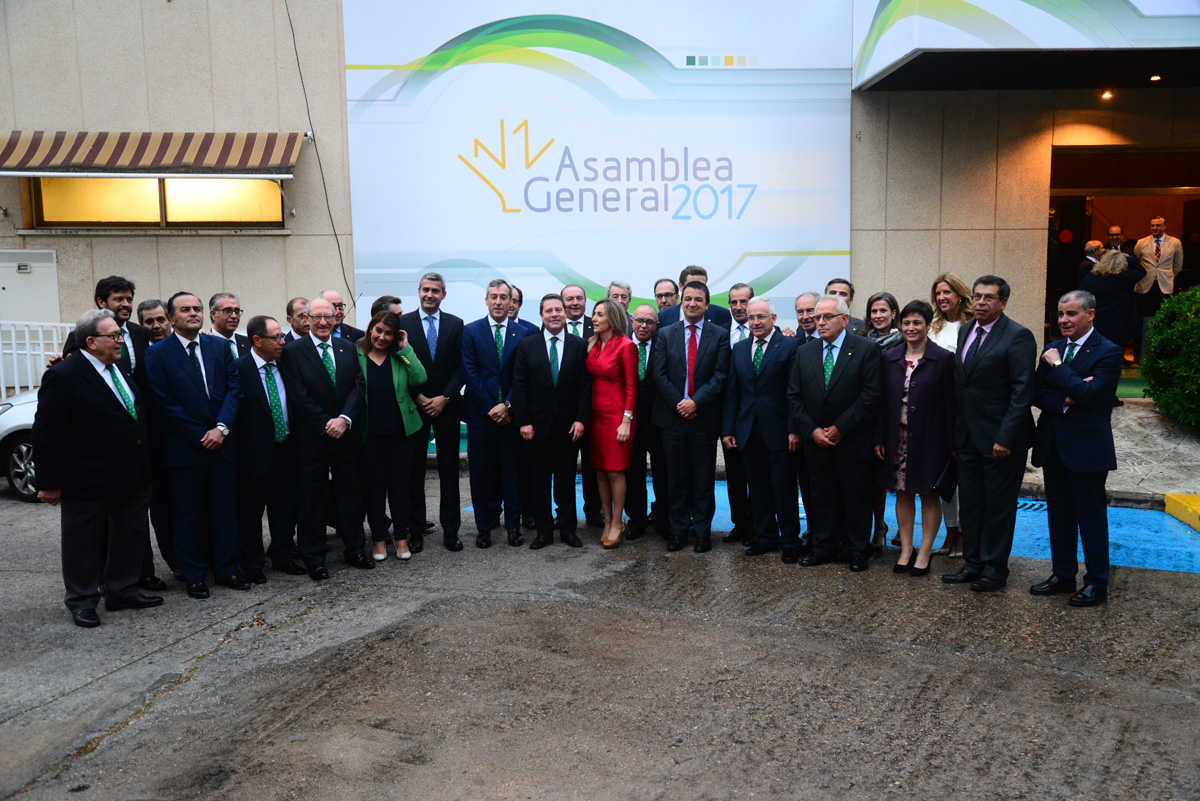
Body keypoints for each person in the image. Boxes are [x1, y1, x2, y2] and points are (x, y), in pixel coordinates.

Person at [33, 309, 162, 627]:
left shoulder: (118, 368)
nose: (121, 340)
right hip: (87, 479)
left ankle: (122, 591)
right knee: (83, 542)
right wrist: (49, 482)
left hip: (131, 475)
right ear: (91, 342)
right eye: (114, 336)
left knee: (129, 536)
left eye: (120, 335)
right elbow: (47, 434)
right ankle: (82, 600)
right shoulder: (64, 376)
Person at [145, 292, 246, 598]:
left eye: (197, 309)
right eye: (185, 309)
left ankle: (227, 569)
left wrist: (221, 428)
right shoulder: (159, 353)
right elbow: (163, 402)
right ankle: (193, 575)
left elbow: (234, 390)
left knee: (225, 512)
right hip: (185, 450)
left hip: (222, 445)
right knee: (187, 516)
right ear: (172, 318)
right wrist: (201, 434)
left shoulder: (219, 346)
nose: (193, 313)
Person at [942, 275, 1036, 593]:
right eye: (977, 296)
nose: (981, 302)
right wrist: (957, 435)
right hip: (968, 438)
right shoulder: (967, 330)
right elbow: (961, 387)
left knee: (998, 507)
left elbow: (1022, 392)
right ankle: (973, 564)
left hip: (1001, 441)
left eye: (989, 298)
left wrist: (1006, 438)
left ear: (1003, 302)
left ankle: (995, 570)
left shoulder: (1018, 336)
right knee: (971, 504)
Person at [1030, 290, 1123, 607]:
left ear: (1090, 314)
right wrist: (1068, 395)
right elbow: (1037, 393)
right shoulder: (1053, 348)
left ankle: (1097, 583)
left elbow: (1093, 393)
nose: (1063, 320)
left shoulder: (1108, 352)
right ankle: (1063, 575)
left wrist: (1058, 369)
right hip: (1053, 445)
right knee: (1058, 516)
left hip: (1087, 449)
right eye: (1060, 314)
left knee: (1091, 518)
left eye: (1071, 314)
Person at [788, 295, 883, 572]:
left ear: (844, 319)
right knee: (821, 496)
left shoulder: (866, 349)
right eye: (817, 317)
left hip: (852, 440)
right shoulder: (805, 352)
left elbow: (870, 395)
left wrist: (841, 428)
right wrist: (812, 430)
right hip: (816, 442)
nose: (819, 322)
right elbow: (794, 396)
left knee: (856, 497)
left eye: (826, 317)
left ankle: (857, 549)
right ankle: (823, 546)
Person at [281, 296, 373, 579]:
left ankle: (355, 549)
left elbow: (358, 387)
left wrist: (344, 419)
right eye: (316, 317)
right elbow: (298, 395)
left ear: (336, 318)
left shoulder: (347, 348)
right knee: (311, 499)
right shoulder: (293, 352)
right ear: (306, 319)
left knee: (350, 495)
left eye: (328, 316)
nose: (323, 322)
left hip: (345, 436)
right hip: (312, 438)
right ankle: (314, 557)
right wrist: (326, 423)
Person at [873, 301, 956, 577]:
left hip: (931, 439)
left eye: (917, 323)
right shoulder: (889, 358)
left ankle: (925, 551)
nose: (911, 328)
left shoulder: (943, 359)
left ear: (928, 326)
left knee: (929, 494)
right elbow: (882, 402)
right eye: (906, 323)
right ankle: (906, 549)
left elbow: (951, 405)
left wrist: (951, 443)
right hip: (897, 437)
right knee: (902, 493)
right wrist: (879, 438)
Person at [722, 298, 803, 562]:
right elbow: (733, 392)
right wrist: (728, 429)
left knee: (784, 488)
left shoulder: (791, 345)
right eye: (751, 316)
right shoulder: (740, 348)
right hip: (747, 430)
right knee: (757, 489)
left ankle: (790, 539)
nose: (755, 321)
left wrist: (794, 429)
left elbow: (795, 392)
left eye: (761, 317)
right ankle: (765, 537)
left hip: (780, 431)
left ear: (774, 318)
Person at [652, 281, 730, 553]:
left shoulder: (719, 335)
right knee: (676, 479)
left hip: (704, 419)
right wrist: (679, 403)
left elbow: (720, 376)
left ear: (707, 305)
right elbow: (659, 375)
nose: (692, 303)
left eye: (699, 299)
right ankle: (678, 532)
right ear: (681, 302)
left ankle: (702, 534)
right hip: (672, 419)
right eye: (688, 299)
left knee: (703, 479)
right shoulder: (665, 333)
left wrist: (696, 402)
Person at [511, 293, 590, 549]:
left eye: (559, 310)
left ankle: (568, 529)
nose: (555, 314)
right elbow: (520, 387)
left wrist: (581, 419)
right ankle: (544, 531)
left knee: (566, 481)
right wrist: (523, 421)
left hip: (569, 427)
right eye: (549, 311)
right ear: (542, 315)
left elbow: (584, 387)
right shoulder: (527, 345)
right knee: (540, 481)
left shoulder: (579, 345)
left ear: (565, 313)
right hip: (536, 427)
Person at [462, 279, 534, 548]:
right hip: (481, 416)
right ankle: (483, 529)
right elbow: (470, 373)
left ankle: (513, 527)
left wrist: (508, 405)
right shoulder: (471, 332)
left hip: (512, 416)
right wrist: (492, 407)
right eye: (494, 296)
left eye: (505, 297)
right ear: (486, 300)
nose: (499, 301)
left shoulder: (523, 332)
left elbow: (523, 376)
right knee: (481, 475)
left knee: (512, 474)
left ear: (512, 301)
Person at [234, 315, 304, 581]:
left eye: (281, 335)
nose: (282, 341)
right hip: (253, 452)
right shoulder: (239, 369)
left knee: (285, 507)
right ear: (256, 340)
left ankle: (282, 555)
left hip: (286, 448)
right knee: (250, 512)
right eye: (275, 337)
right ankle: (252, 563)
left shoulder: (287, 363)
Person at [399, 272, 466, 551]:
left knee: (450, 471)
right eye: (426, 290)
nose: (430, 294)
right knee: (415, 471)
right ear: (418, 291)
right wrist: (420, 396)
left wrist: (445, 397)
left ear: (443, 295)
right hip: (416, 406)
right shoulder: (403, 324)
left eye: (435, 291)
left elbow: (463, 366)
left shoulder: (456, 324)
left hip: (447, 408)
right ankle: (415, 531)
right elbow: (398, 364)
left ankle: (451, 530)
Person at [356, 310, 428, 562]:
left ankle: (400, 538)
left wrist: (405, 349)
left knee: (399, 487)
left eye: (388, 333)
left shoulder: (400, 356)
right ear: (370, 330)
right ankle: (377, 539)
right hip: (368, 433)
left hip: (401, 432)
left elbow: (421, 377)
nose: (382, 337)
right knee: (374, 489)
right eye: (378, 331)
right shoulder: (357, 355)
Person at [586, 298, 638, 548]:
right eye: (594, 314)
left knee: (615, 470)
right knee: (599, 470)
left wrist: (626, 420)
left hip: (618, 417)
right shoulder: (593, 345)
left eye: (599, 315)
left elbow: (631, 386)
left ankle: (618, 521)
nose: (594, 319)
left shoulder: (626, 346)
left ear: (613, 319)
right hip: (594, 416)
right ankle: (607, 521)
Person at [928, 272, 973, 557]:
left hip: (964, 410)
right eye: (938, 293)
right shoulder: (932, 327)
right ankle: (950, 532)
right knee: (942, 477)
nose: (942, 298)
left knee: (963, 478)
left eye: (947, 292)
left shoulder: (973, 326)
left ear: (959, 294)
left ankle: (964, 535)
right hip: (935, 412)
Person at [63, 275, 152, 391]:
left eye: (129, 300)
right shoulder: (80, 337)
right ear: (101, 302)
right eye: (119, 299)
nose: (126, 304)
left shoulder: (141, 333)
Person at [864, 290, 902, 550]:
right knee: (874, 480)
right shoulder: (860, 342)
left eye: (883, 311)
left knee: (901, 479)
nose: (878, 316)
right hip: (868, 419)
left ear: (894, 314)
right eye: (874, 311)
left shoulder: (905, 342)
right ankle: (878, 528)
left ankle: (904, 530)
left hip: (897, 418)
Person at [625, 304, 666, 540]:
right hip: (628, 421)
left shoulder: (665, 345)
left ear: (657, 326)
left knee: (663, 472)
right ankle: (636, 521)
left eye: (650, 322)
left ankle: (663, 520)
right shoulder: (622, 345)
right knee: (633, 474)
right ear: (631, 321)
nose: (644, 326)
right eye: (639, 320)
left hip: (659, 421)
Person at [561, 283, 601, 527]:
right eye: (569, 299)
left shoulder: (596, 325)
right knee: (564, 466)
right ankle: (564, 515)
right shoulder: (551, 325)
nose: (574, 303)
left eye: (579, 298)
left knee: (592, 465)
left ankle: (594, 512)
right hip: (564, 409)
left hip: (594, 407)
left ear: (586, 301)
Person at [721, 282, 755, 544]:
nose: (738, 307)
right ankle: (739, 523)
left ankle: (759, 522)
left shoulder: (771, 333)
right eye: (733, 302)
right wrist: (726, 427)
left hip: (760, 418)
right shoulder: (721, 334)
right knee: (734, 475)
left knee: (758, 474)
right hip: (731, 416)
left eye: (743, 301)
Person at [1079, 249, 1146, 364]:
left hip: (1097, 316)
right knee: (1117, 344)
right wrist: (1129, 257)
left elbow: (1081, 295)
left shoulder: (1091, 278)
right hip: (1119, 318)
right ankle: (1118, 359)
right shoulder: (1125, 278)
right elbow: (1141, 271)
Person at [1133, 216, 1184, 362]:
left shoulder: (1175, 243)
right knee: (1143, 321)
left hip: (1165, 286)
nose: (1155, 228)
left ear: (1165, 226)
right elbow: (1136, 263)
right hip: (1145, 286)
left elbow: (1178, 265)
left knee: (1164, 321)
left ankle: (1162, 356)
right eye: (1153, 225)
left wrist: (1167, 276)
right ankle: (1140, 356)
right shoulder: (1141, 243)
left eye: (1158, 225)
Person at [657, 266, 732, 328]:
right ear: (681, 286)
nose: (696, 289)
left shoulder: (721, 315)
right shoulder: (663, 316)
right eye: (691, 285)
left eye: (701, 286)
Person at [207, 292, 250, 359]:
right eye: (227, 311)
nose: (234, 316)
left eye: (237, 311)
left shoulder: (249, 343)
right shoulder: (204, 343)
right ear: (214, 314)